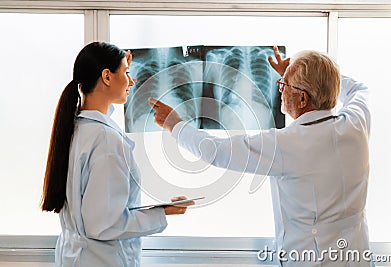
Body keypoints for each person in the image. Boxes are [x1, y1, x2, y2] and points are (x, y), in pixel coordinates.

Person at [149, 47, 373, 266]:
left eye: (284, 84)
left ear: (303, 99)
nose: (280, 89)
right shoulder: (356, 123)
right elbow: (359, 90)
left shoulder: (285, 144)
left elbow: (213, 151)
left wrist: (174, 124)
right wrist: (321, 78)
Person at [41, 42, 193, 267]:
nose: (132, 81)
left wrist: (119, 72)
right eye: (127, 73)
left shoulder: (77, 128)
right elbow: (102, 224)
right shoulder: (105, 139)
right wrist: (163, 212)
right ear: (106, 77)